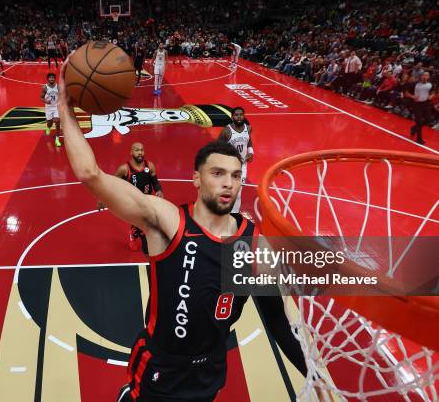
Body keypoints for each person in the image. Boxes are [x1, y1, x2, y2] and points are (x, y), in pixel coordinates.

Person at [56, 64, 308, 402]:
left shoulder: (249, 244)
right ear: (196, 179)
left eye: (234, 175)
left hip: (210, 374)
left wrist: (318, 374)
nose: (227, 183)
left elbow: (277, 322)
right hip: (160, 372)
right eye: (217, 173)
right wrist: (63, 108)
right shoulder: (167, 221)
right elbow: (90, 174)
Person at [98, 142, 164, 253]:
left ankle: (139, 233)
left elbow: (154, 181)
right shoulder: (124, 169)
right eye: (137, 150)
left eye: (142, 150)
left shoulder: (150, 166)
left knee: (147, 220)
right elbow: (113, 184)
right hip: (132, 201)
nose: (140, 153)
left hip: (147, 199)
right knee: (140, 221)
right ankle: (134, 235)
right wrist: (103, 198)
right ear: (131, 152)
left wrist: (159, 190)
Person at [217, 107, 253, 213]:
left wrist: (251, 152)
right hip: (229, 165)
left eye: (241, 114)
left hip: (242, 165)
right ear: (232, 117)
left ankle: (235, 215)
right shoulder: (226, 131)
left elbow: (249, 141)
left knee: (238, 191)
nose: (239, 117)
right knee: (226, 190)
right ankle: (221, 210)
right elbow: (217, 147)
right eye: (236, 115)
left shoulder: (248, 128)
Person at [405, 72, 433, 144]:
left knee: (428, 120)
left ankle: (414, 128)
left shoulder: (430, 84)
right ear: (420, 76)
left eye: (426, 75)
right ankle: (419, 138)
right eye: (423, 75)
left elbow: (433, 92)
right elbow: (406, 93)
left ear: (428, 76)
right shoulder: (415, 84)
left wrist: (431, 96)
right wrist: (412, 96)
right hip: (417, 104)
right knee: (419, 121)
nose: (424, 77)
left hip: (426, 103)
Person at [40, 72, 62, 147]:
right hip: (48, 108)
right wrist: (46, 101)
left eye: (53, 77)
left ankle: (57, 140)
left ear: (55, 79)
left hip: (56, 107)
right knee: (50, 123)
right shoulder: (44, 87)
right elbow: (41, 98)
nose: (52, 79)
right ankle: (48, 127)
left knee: (57, 121)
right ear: (48, 79)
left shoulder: (58, 87)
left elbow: (62, 95)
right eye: (50, 77)